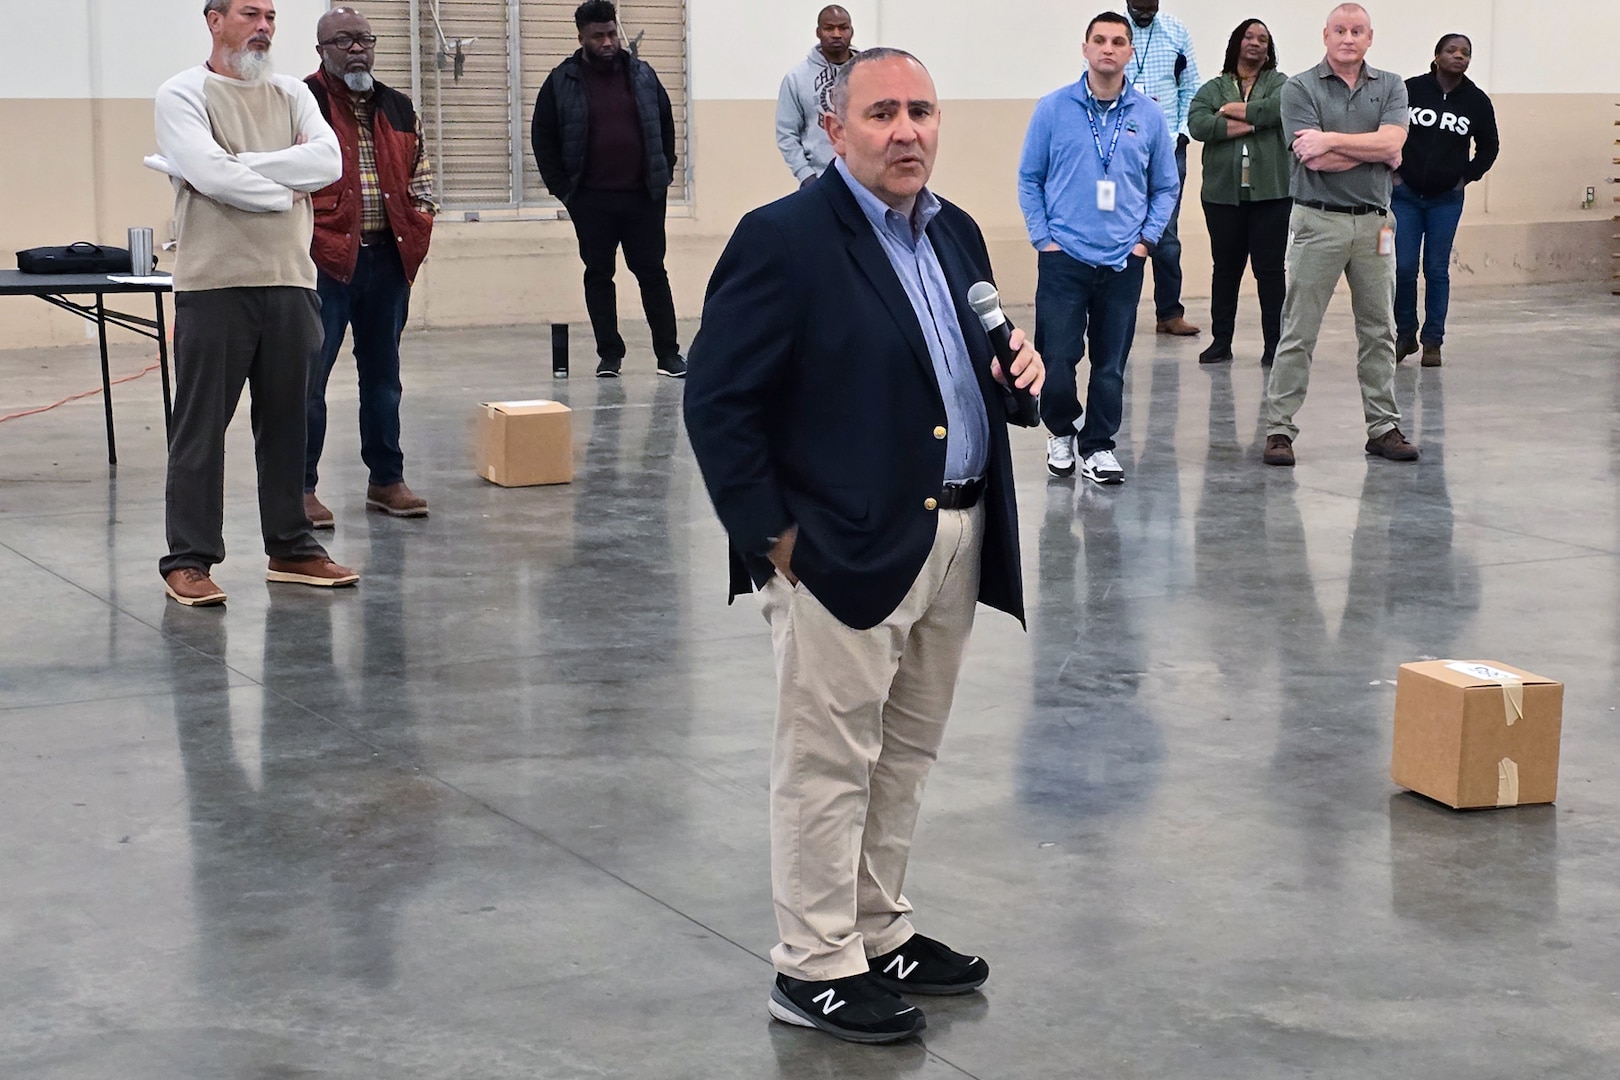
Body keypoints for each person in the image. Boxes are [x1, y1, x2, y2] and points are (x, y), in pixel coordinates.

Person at [683, 48, 1044, 1045]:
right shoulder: (786, 240)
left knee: (906, 754)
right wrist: (776, 542)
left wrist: (1022, 376)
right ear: (834, 129)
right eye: (882, 112)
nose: (906, 130)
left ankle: (878, 930)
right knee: (828, 760)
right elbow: (718, 402)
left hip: (957, 534)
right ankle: (812, 963)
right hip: (838, 549)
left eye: (921, 111)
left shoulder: (958, 232)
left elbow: (984, 368)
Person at [150, 0, 357, 606]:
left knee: (290, 421)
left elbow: (328, 162)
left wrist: (238, 166)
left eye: (270, 16)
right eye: (250, 14)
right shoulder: (182, 94)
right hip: (214, 285)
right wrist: (281, 190)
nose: (264, 27)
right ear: (214, 20)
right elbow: (209, 177)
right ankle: (187, 559)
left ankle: (291, 548)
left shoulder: (293, 93)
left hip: (292, 280)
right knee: (200, 429)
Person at [1018, 12, 1180, 486]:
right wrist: (1042, 239)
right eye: (1100, 40)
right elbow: (1030, 177)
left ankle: (1099, 445)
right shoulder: (1053, 109)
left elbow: (1165, 187)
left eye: (1118, 42)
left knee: (1110, 364)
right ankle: (1061, 432)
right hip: (1063, 257)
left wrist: (1146, 241)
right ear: (1086, 49)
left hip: (1123, 261)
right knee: (1059, 359)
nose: (1108, 49)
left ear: (1130, 53)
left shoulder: (1148, 116)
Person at [1261, 3, 1418, 468]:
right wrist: (1373, 149)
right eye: (1339, 30)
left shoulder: (1390, 85)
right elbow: (1313, 159)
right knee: (1298, 329)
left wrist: (1331, 138)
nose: (1348, 38)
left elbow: (1393, 142)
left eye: (1357, 31)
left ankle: (1383, 427)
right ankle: (1279, 430)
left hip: (1375, 223)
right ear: (1325, 36)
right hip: (1317, 220)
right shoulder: (1299, 88)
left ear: (1370, 37)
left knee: (1380, 329)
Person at [302, 6, 437, 528]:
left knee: (383, 377)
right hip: (325, 264)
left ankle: (386, 480)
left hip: (388, 260)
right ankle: (301, 489)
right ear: (322, 51)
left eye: (364, 39)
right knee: (310, 379)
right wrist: (310, 241)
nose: (356, 49)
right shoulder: (302, 103)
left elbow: (422, 180)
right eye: (343, 41)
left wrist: (419, 228)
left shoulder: (399, 107)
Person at [531, 0, 685, 379]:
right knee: (599, 274)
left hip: (643, 198)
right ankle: (610, 356)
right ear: (581, 37)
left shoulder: (643, 74)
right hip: (591, 200)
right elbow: (543, 138)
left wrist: (663, 176)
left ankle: (668, 355)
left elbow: (664, 125)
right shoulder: (561, 81)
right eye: (598, 35)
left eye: (612, 33)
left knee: (652, 272)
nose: (607, 42)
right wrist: (566, 192)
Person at [1187, 19, 1291, 367]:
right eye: (1249, 37)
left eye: (1263, 39)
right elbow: (1198, 124)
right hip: (1222, 198)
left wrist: (1234, 111)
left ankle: (1275, 345)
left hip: (1272, 195)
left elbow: (1281, 109)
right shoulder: (1213, 87)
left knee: (1271, 271)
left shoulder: (1281, 84)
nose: (1256, 43)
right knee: (1226, 270)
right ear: (1236, 43)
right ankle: (1221, 342)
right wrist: (1252, 123)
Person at [1393, 33, 1499, 368]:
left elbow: (1489, 147)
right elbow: (1387, 130)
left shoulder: (1476, 101)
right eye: (1452, 50)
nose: (1459, 56)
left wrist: (1464, 177)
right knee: (1403, 267)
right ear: (1437, 55)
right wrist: (1394, 171)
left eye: (1465, 53)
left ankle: (1432, 341)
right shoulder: (1411, 90)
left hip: (1445, 201)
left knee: (1436, 270)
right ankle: (1405, 333)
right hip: (1404, 196)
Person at [1123, 0, 1201, 337]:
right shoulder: (1114, 33)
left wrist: (1180, 132)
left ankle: (1169, 312)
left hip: (1169, 148)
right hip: (1121, 149)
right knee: (1121, 231)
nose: (1144, 13)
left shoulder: (1175, 31)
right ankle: (1118, 311)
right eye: (1138, 8)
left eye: (1149, 7)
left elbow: (1191, 87)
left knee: (1166, 235)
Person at [775, 5, 856, 188]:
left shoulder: (869, 72)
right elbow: (786, 134)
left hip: (866, 180)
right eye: (829, 28)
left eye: (843, 27)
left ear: (851, 31)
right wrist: (806, 176)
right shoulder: (796, 78)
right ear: (818, 32)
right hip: (820, 180)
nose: (836, 34)